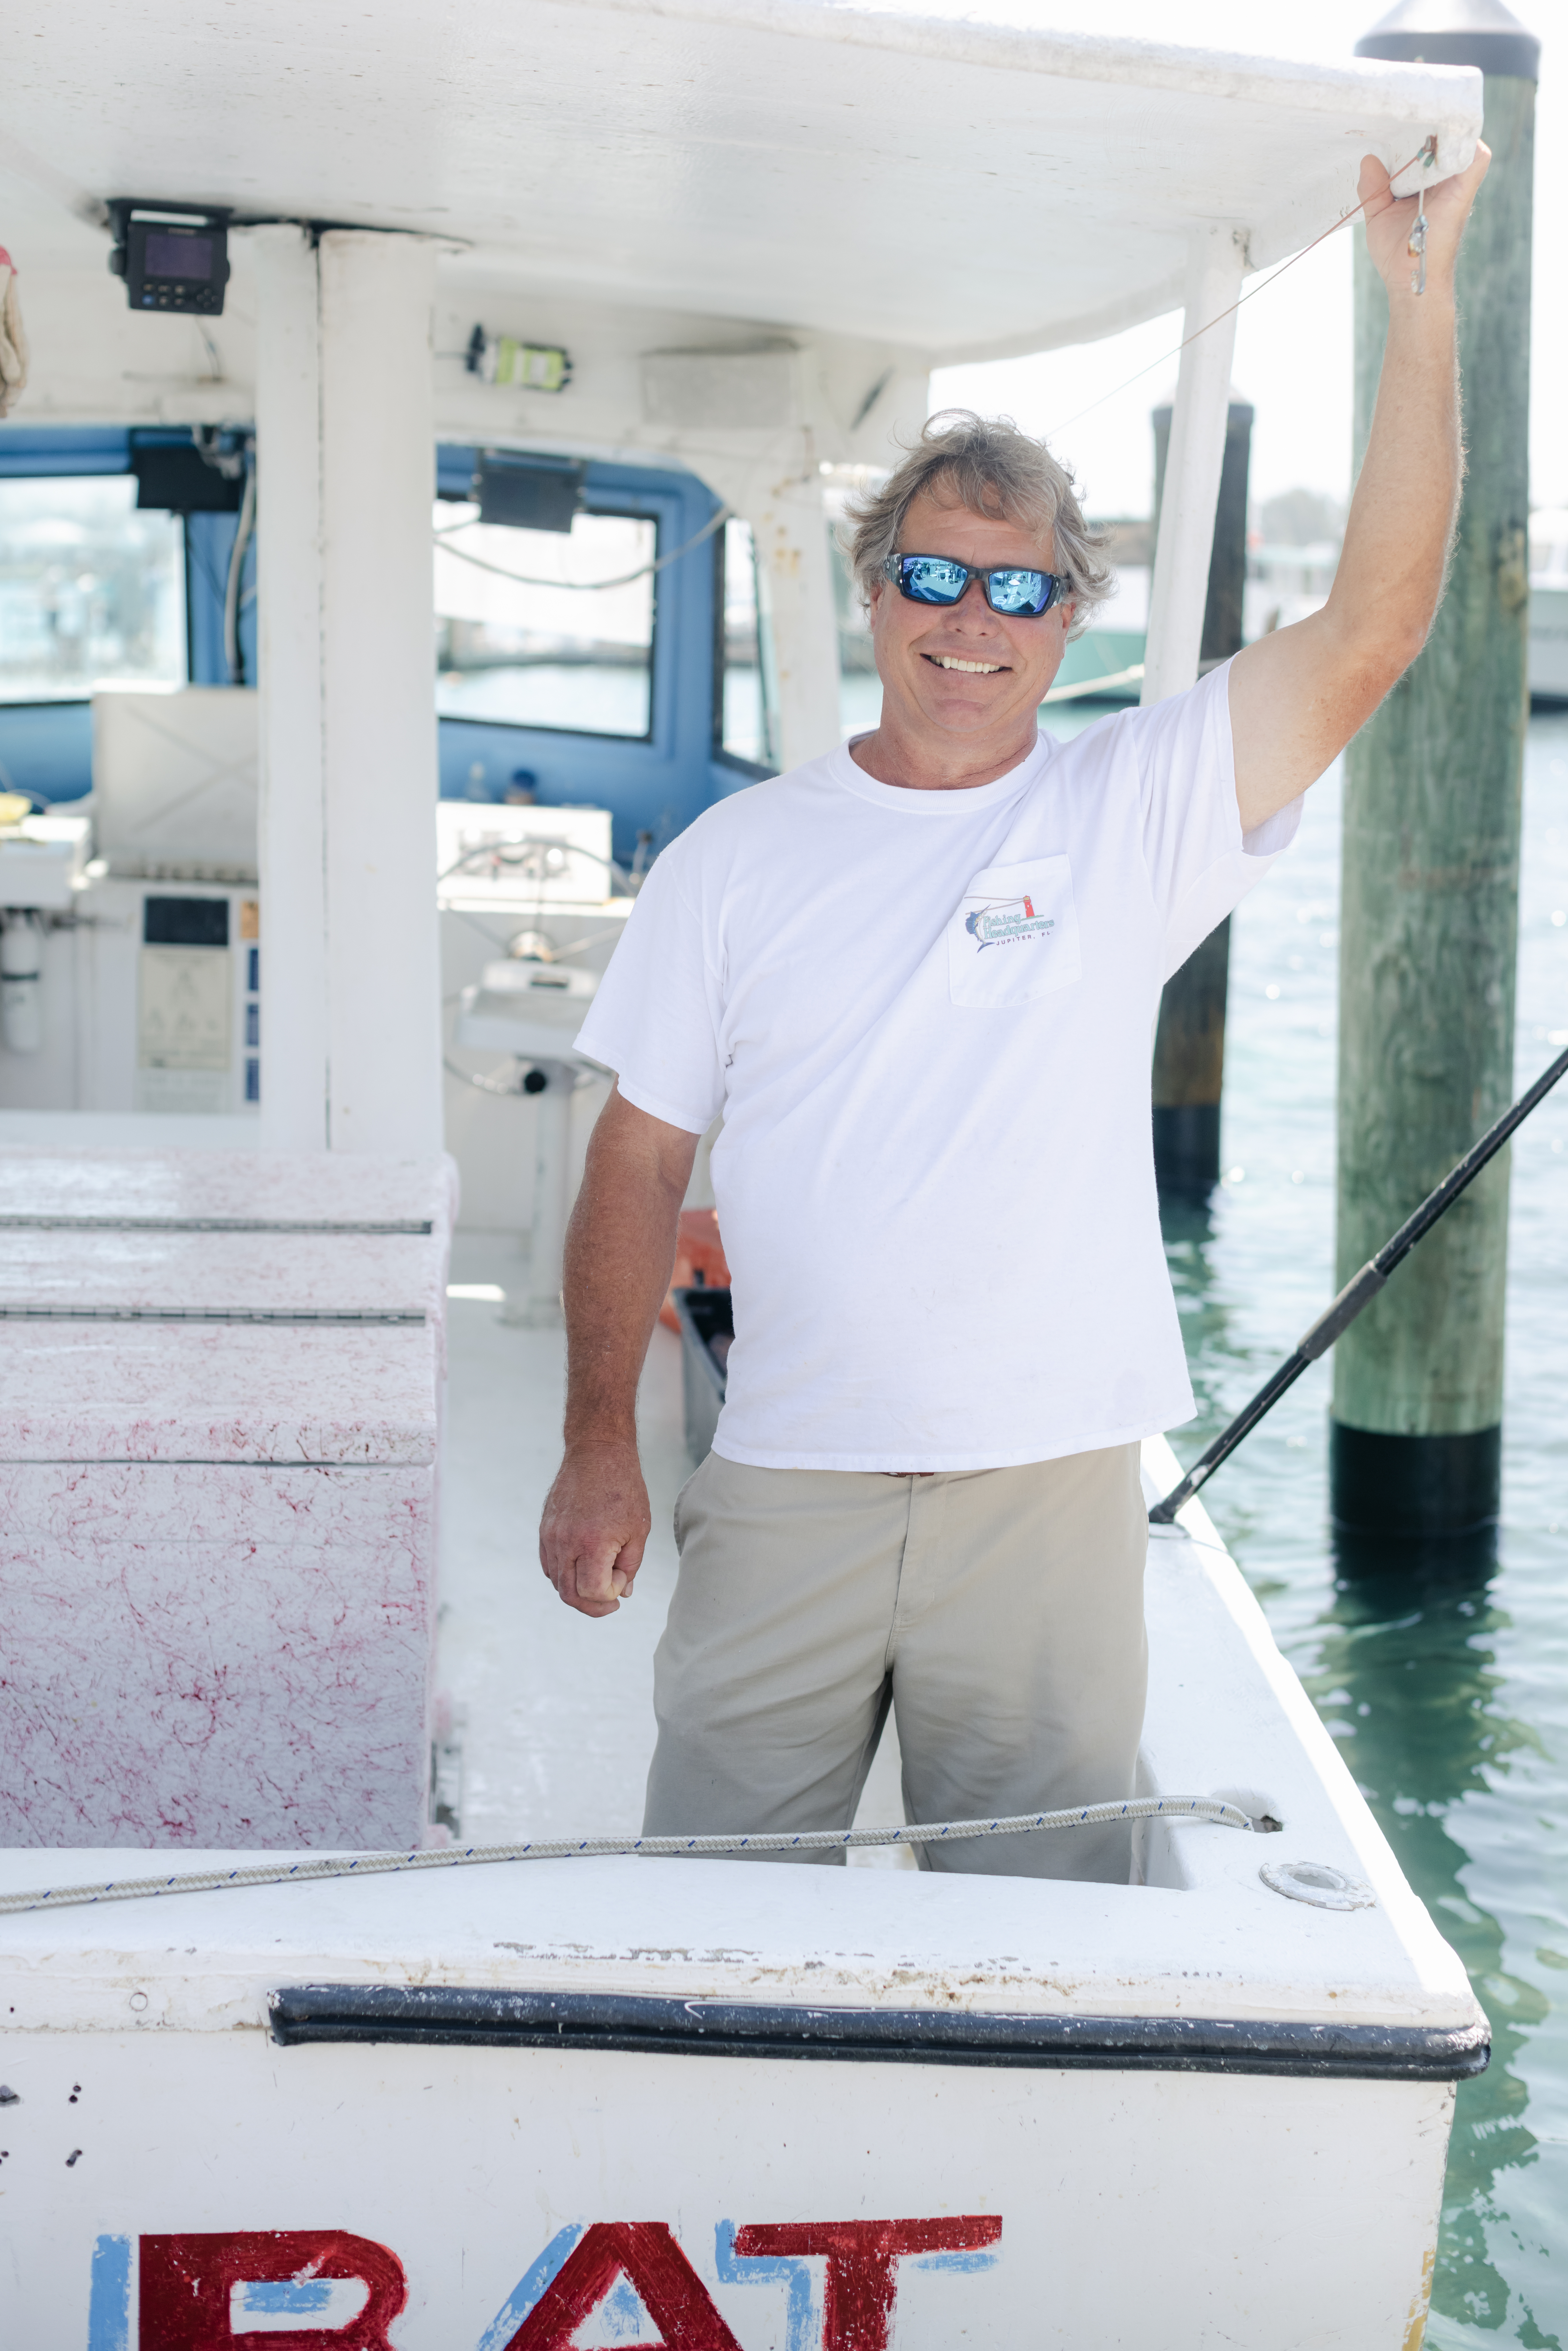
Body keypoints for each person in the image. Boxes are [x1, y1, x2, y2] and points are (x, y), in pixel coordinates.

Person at [541, 148, 1490, 1880]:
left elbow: (1373, 626)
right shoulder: (732, 856)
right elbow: (635, 1160)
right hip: (784, 1476)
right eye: (930, 576)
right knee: (707, 1920)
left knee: (1051, 1933)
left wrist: (1416, 304)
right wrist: (597, 1441)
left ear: (1069, 623)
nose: (966, 623)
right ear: (870, 585)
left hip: (1045, 1492)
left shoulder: (1128, 810)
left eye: (1015, 588)